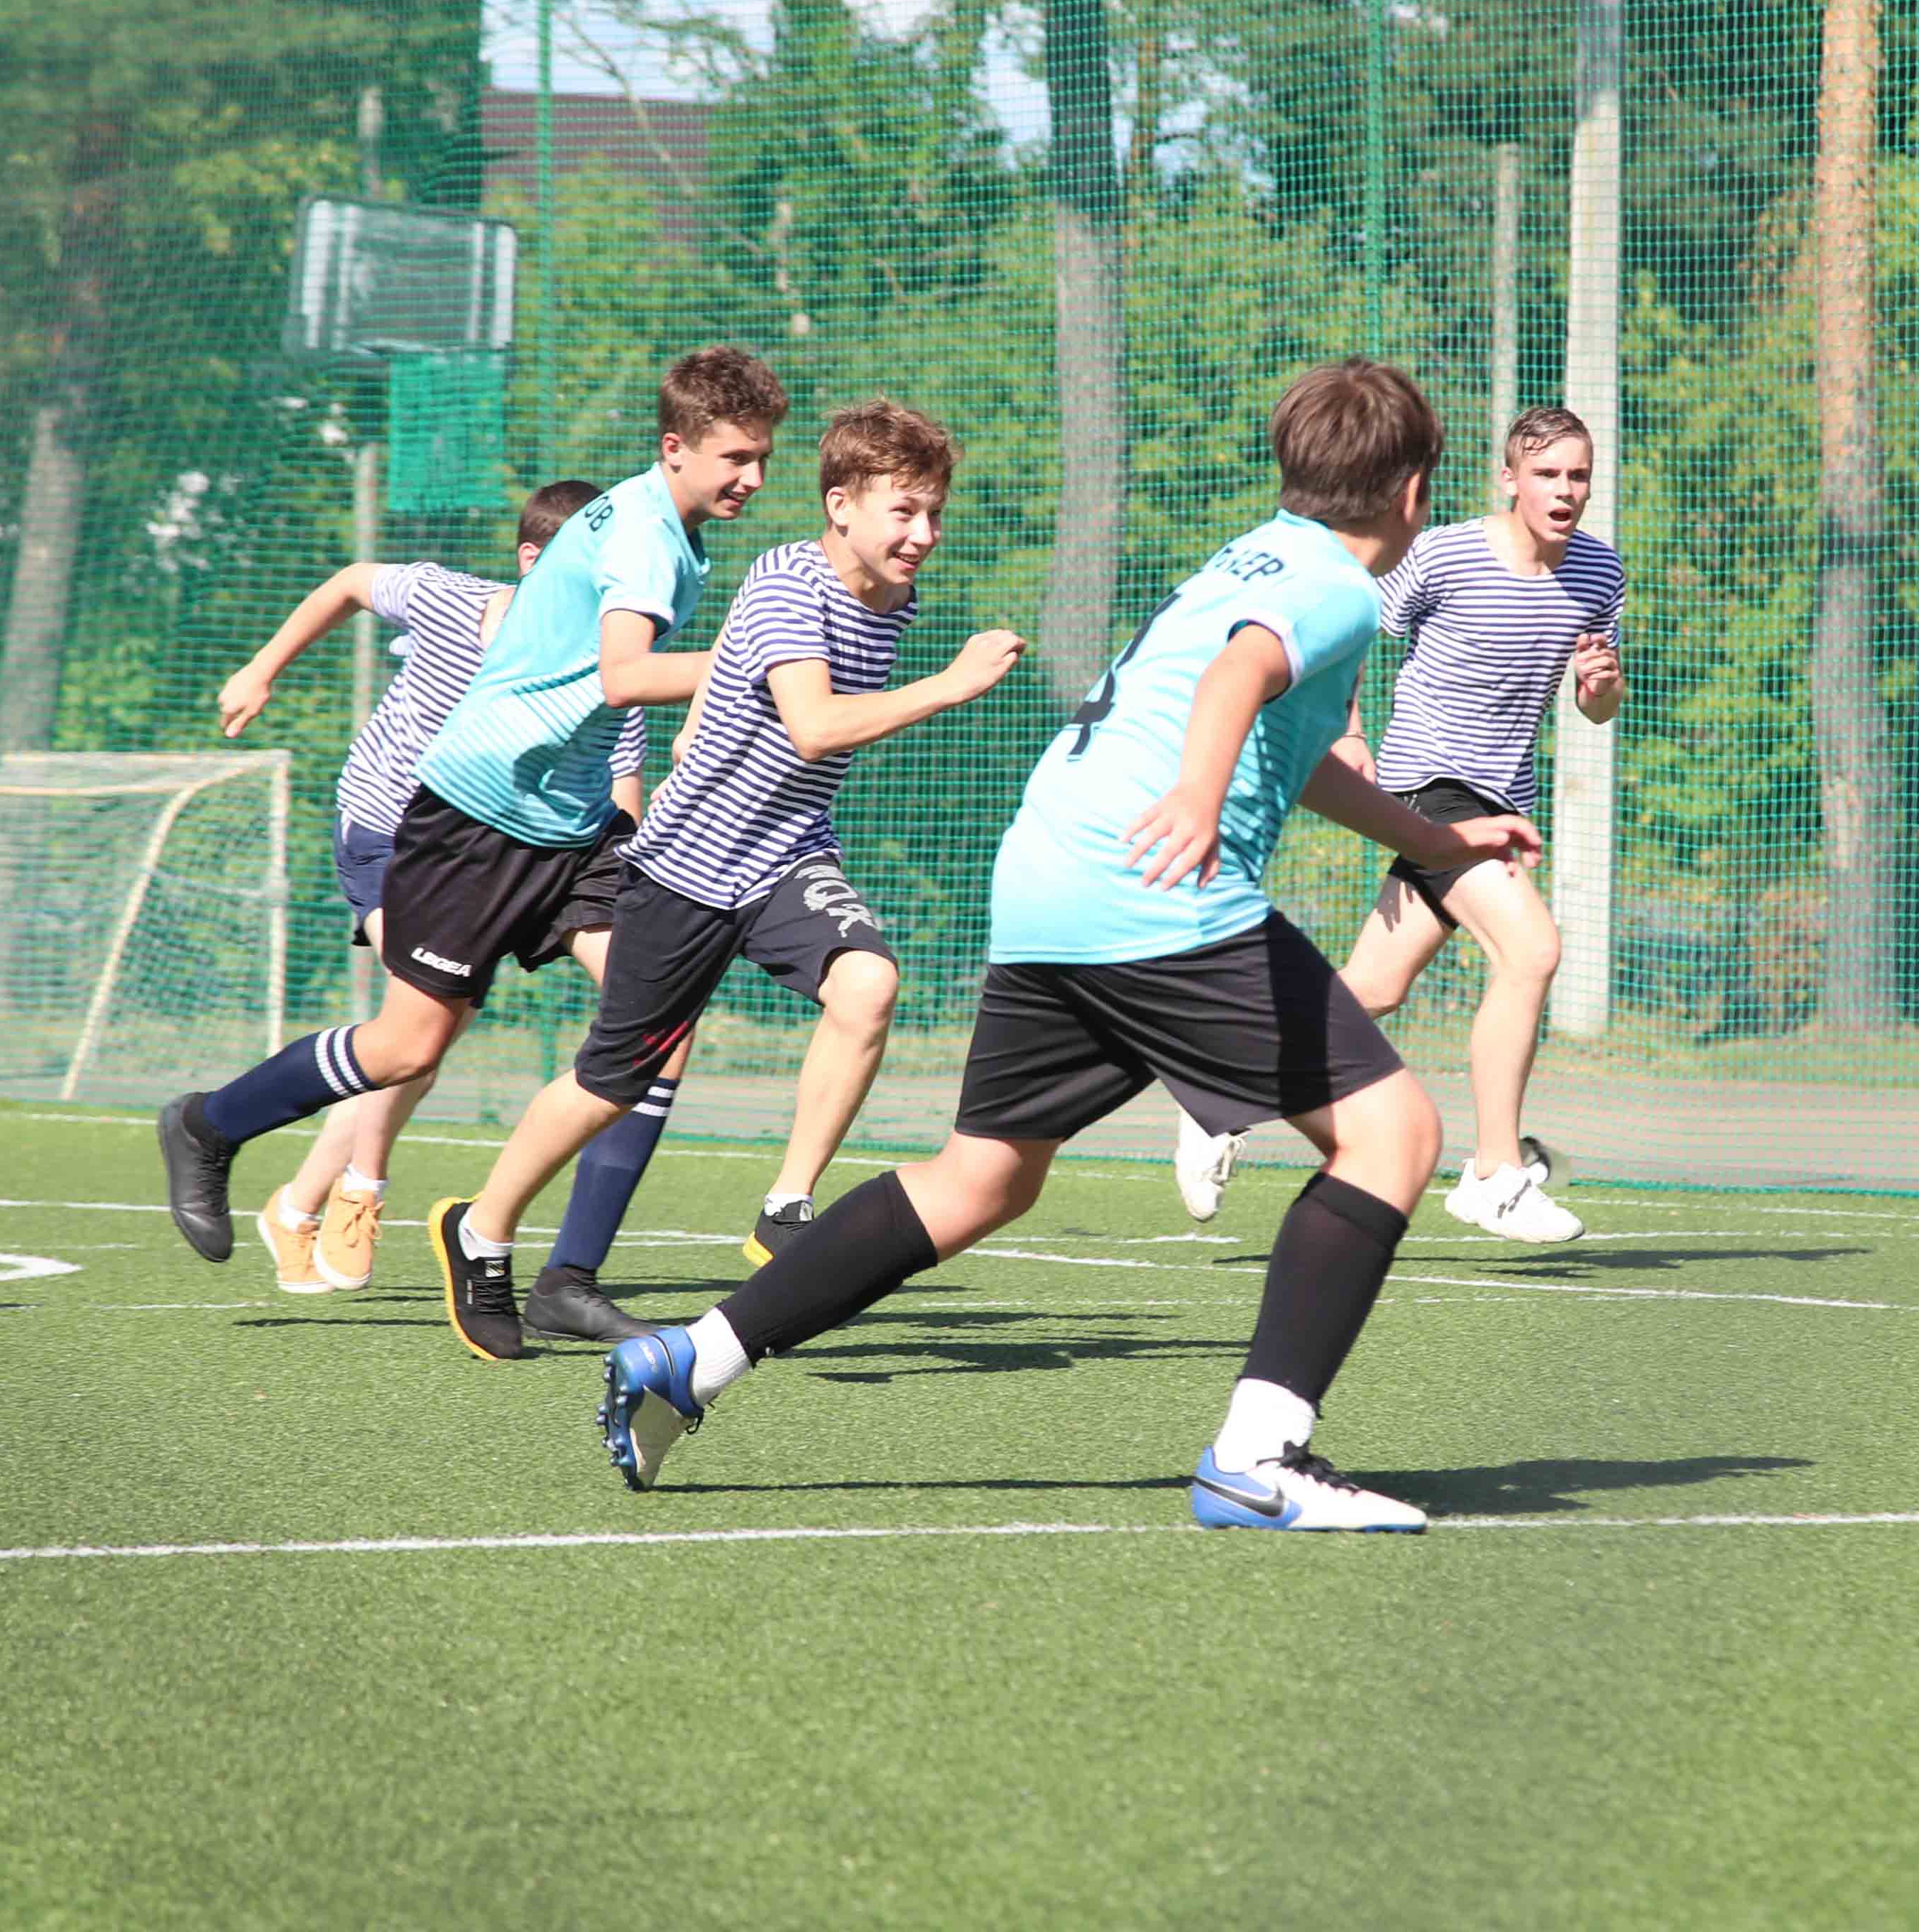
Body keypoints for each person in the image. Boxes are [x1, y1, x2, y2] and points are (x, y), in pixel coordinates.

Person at [596, 359, 1539, 1532]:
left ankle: (693, 1356)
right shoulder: (1337, 588)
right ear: (1411, 493)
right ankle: (1259, 1458)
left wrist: (1433, 840)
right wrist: (1197, 798)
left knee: (981, 1179)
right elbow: (1240, 677)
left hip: (1050, 875)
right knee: (1393, 1134)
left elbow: (1289, 749)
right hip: (1152, 889)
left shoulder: (1255, 553)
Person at [157, 346, 787, 1363]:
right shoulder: (644, 537)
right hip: (480, 818)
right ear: (675, 447)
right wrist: (763, 663)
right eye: (737, 458)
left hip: (573, 826)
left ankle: (552, 1273)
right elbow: (625, 678)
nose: (754, 477)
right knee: (408, 1048)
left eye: (764, 458)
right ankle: (210, 1124)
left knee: (655, 1021)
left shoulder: (660, 521)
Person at [430, 398, 1027, 1353]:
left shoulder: (893, 599)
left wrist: (701, 739)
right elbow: (814, 726)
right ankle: (482, 1229)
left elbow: (739, 695)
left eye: (934, 514)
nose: (924, 535)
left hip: (787, 858)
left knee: (869, 984)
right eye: (904, 512)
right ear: (840, 506)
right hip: (687, 872)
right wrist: (952, 683)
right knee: (611, 1080)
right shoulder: (790, 581)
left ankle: (786, 1209)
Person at [1174, 405, 1623, 1244]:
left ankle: (1221, 1087)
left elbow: (1596, 707)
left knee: (1375, 989)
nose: (1564, 490)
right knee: (1531, 951)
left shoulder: (1600, 571)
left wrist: (1600, 689)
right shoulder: (1444, 553)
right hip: (1429, 786)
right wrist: (1347, 732)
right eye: (1547, 474)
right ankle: (1494, 1174)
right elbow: (1350, 631)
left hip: (1501, 803)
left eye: (1578, 475)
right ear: (1509, 478)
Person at [212, 481, 672, 1297]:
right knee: (423, 1021)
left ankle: (297, 1202)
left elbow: (622, 799)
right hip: (388, 831)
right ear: (532, 561)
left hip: (492, 858)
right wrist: (261, 668)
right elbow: (350, 582)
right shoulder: (450, 601)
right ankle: (356, 1185)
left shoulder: (612, 663)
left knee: (425, 1034)